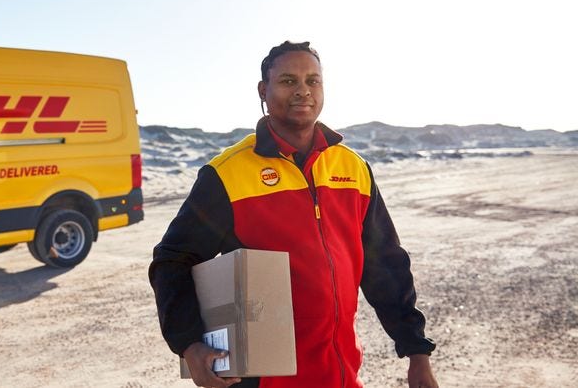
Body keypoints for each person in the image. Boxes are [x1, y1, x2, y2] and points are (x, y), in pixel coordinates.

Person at [148, 41, 438, 388]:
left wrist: (416, 352)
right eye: (288, 81)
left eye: (312, 81)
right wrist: (189, 344)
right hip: (264, 378)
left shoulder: (353, 168)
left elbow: (385, 264)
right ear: (263, 90)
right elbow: (172, 259)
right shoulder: (227, 174)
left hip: (340, 375)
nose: (303, 91)